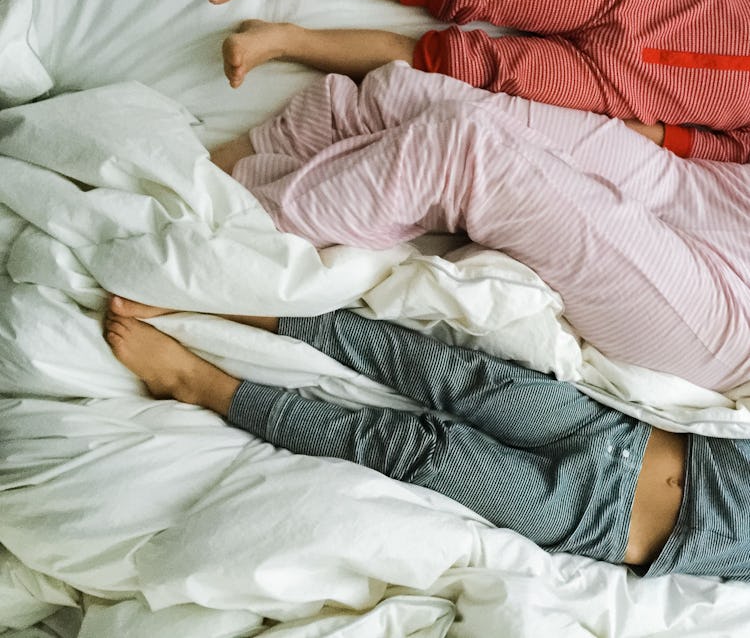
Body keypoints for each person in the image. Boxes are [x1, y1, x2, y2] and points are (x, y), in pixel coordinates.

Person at [102, 294, 750, 581]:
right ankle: (234, 300)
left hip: (596, 520)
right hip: (625, 433)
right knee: (453, 374)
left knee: (422, 450)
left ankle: (199, 383)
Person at [211, 62, 750, 392]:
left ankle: (222, 248)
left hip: (734, 316)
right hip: (717, 191)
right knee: (399, 97)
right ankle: (211, 172)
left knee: (462, 146)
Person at [203, 0, 750, 162]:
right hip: (629, 4)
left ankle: (287, 41)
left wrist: (658, 137)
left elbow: (733, 149)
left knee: (455, 68)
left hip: (616, 88)